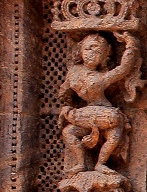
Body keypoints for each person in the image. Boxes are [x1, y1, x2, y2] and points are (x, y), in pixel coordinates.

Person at [59, 31, 142, 184]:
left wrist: (130, 45)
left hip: (104, 112)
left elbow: (123, 69)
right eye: (88, 49)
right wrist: (66, 106)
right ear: (80, 51)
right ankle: (80, 163)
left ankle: (101, 163)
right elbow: (65, 94)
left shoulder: (102, 77)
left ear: (104, 57)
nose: (92, 54)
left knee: (115, 132)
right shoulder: (73, 72)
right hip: (86, 113)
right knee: (68, 132)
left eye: (98, 51)